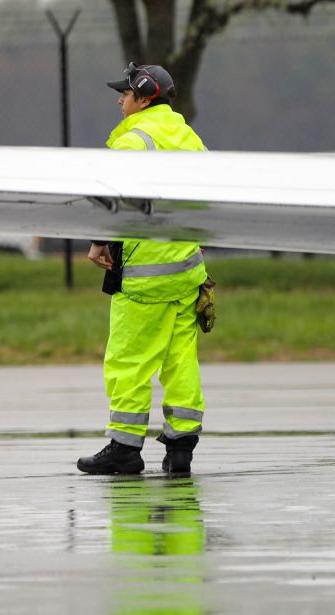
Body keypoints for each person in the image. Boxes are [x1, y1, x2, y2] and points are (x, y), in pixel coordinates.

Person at [76, 62, 209, 475]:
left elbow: (113, 198)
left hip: (143, 277)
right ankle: (181, 445)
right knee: (180, 360)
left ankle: (124, 447)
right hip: (188, 273)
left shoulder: (132, 141)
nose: (120, 100)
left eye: (126, 93)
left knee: (127, 360)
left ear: (145, 95)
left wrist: (100, 240)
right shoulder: (187, 136)